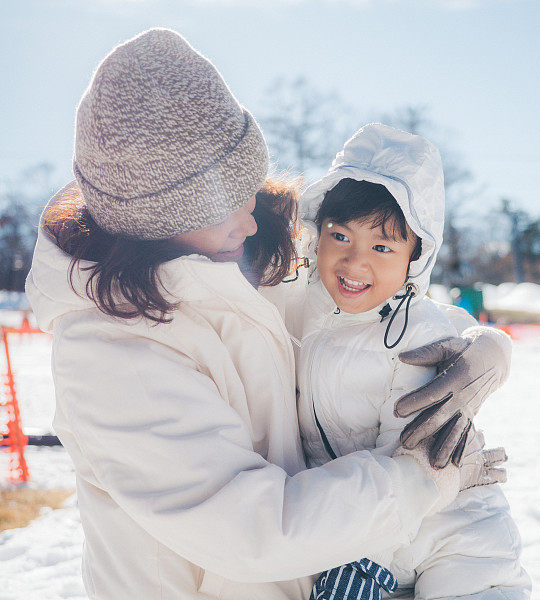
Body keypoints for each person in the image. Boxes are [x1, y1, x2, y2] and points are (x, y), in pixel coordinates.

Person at [24, 29, 514, 600]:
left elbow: (354, 318)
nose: (251, 219)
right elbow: (251, 528)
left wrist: (487, 349)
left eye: (248, 189)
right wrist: (425, 477)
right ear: (153, 220)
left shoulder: (233, 265)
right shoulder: (108, 353)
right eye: (223, 203)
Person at [294, 124, 530, 600]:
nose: (356, 261)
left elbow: (411, 462)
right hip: (364, 524)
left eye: (382, 247)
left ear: (414, 256)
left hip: (453, 528)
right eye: (340, 236)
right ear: (316, 235)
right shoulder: (299, 310)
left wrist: (363, 559)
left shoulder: (420, 335)